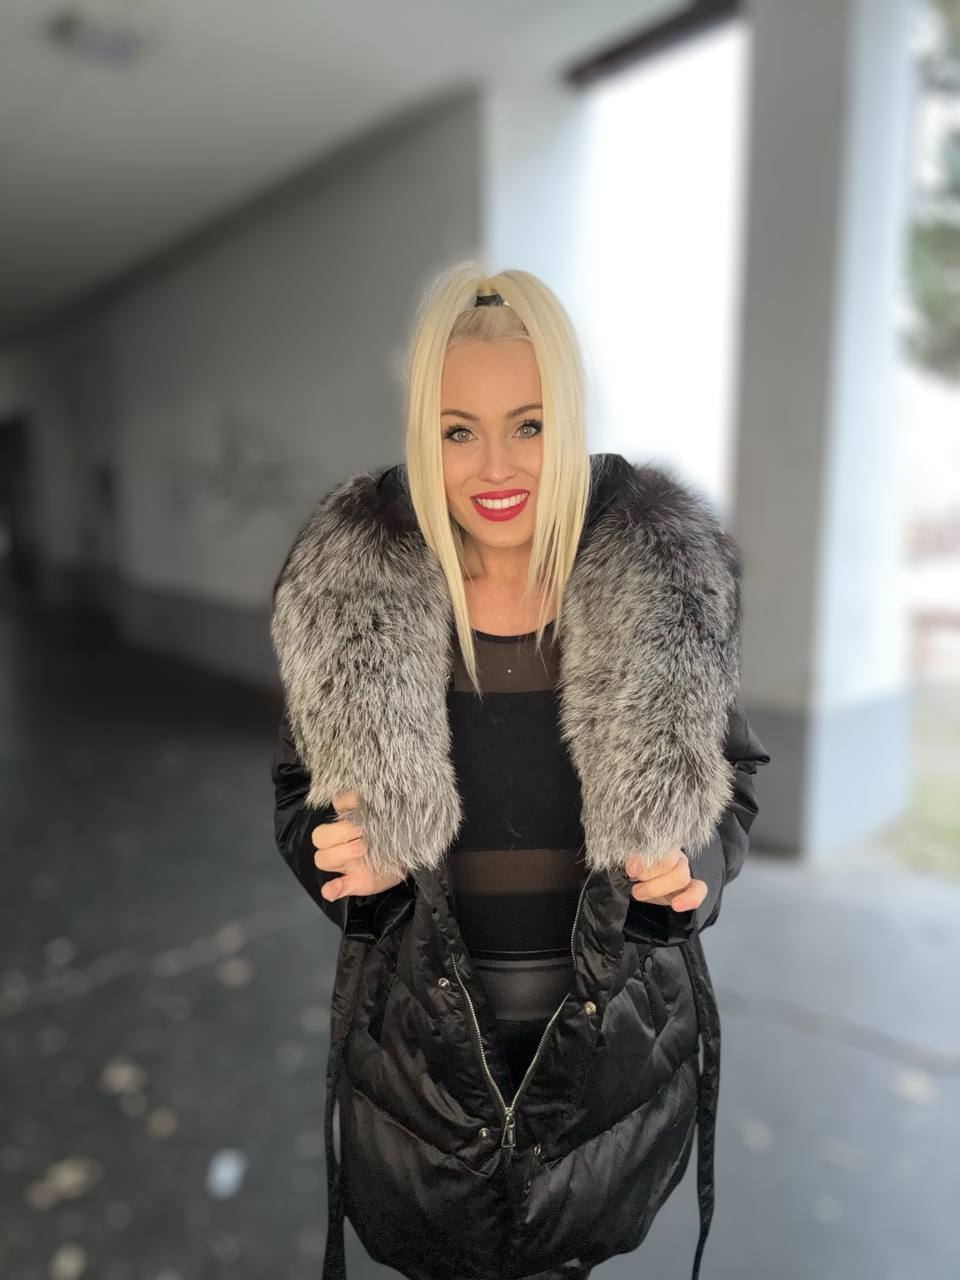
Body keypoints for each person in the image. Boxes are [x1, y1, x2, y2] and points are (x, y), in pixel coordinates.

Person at [270, 263, 771, 1280]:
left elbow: (733, 777)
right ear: (424, 436)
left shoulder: (660, 589)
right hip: (424, 1064)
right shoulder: (356, 602)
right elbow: (299, 796)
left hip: (605, 1059)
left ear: (570, 419)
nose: (494, 464)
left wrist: (696, 875)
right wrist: (347, 866)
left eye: (529, 425)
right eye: (458, 430)